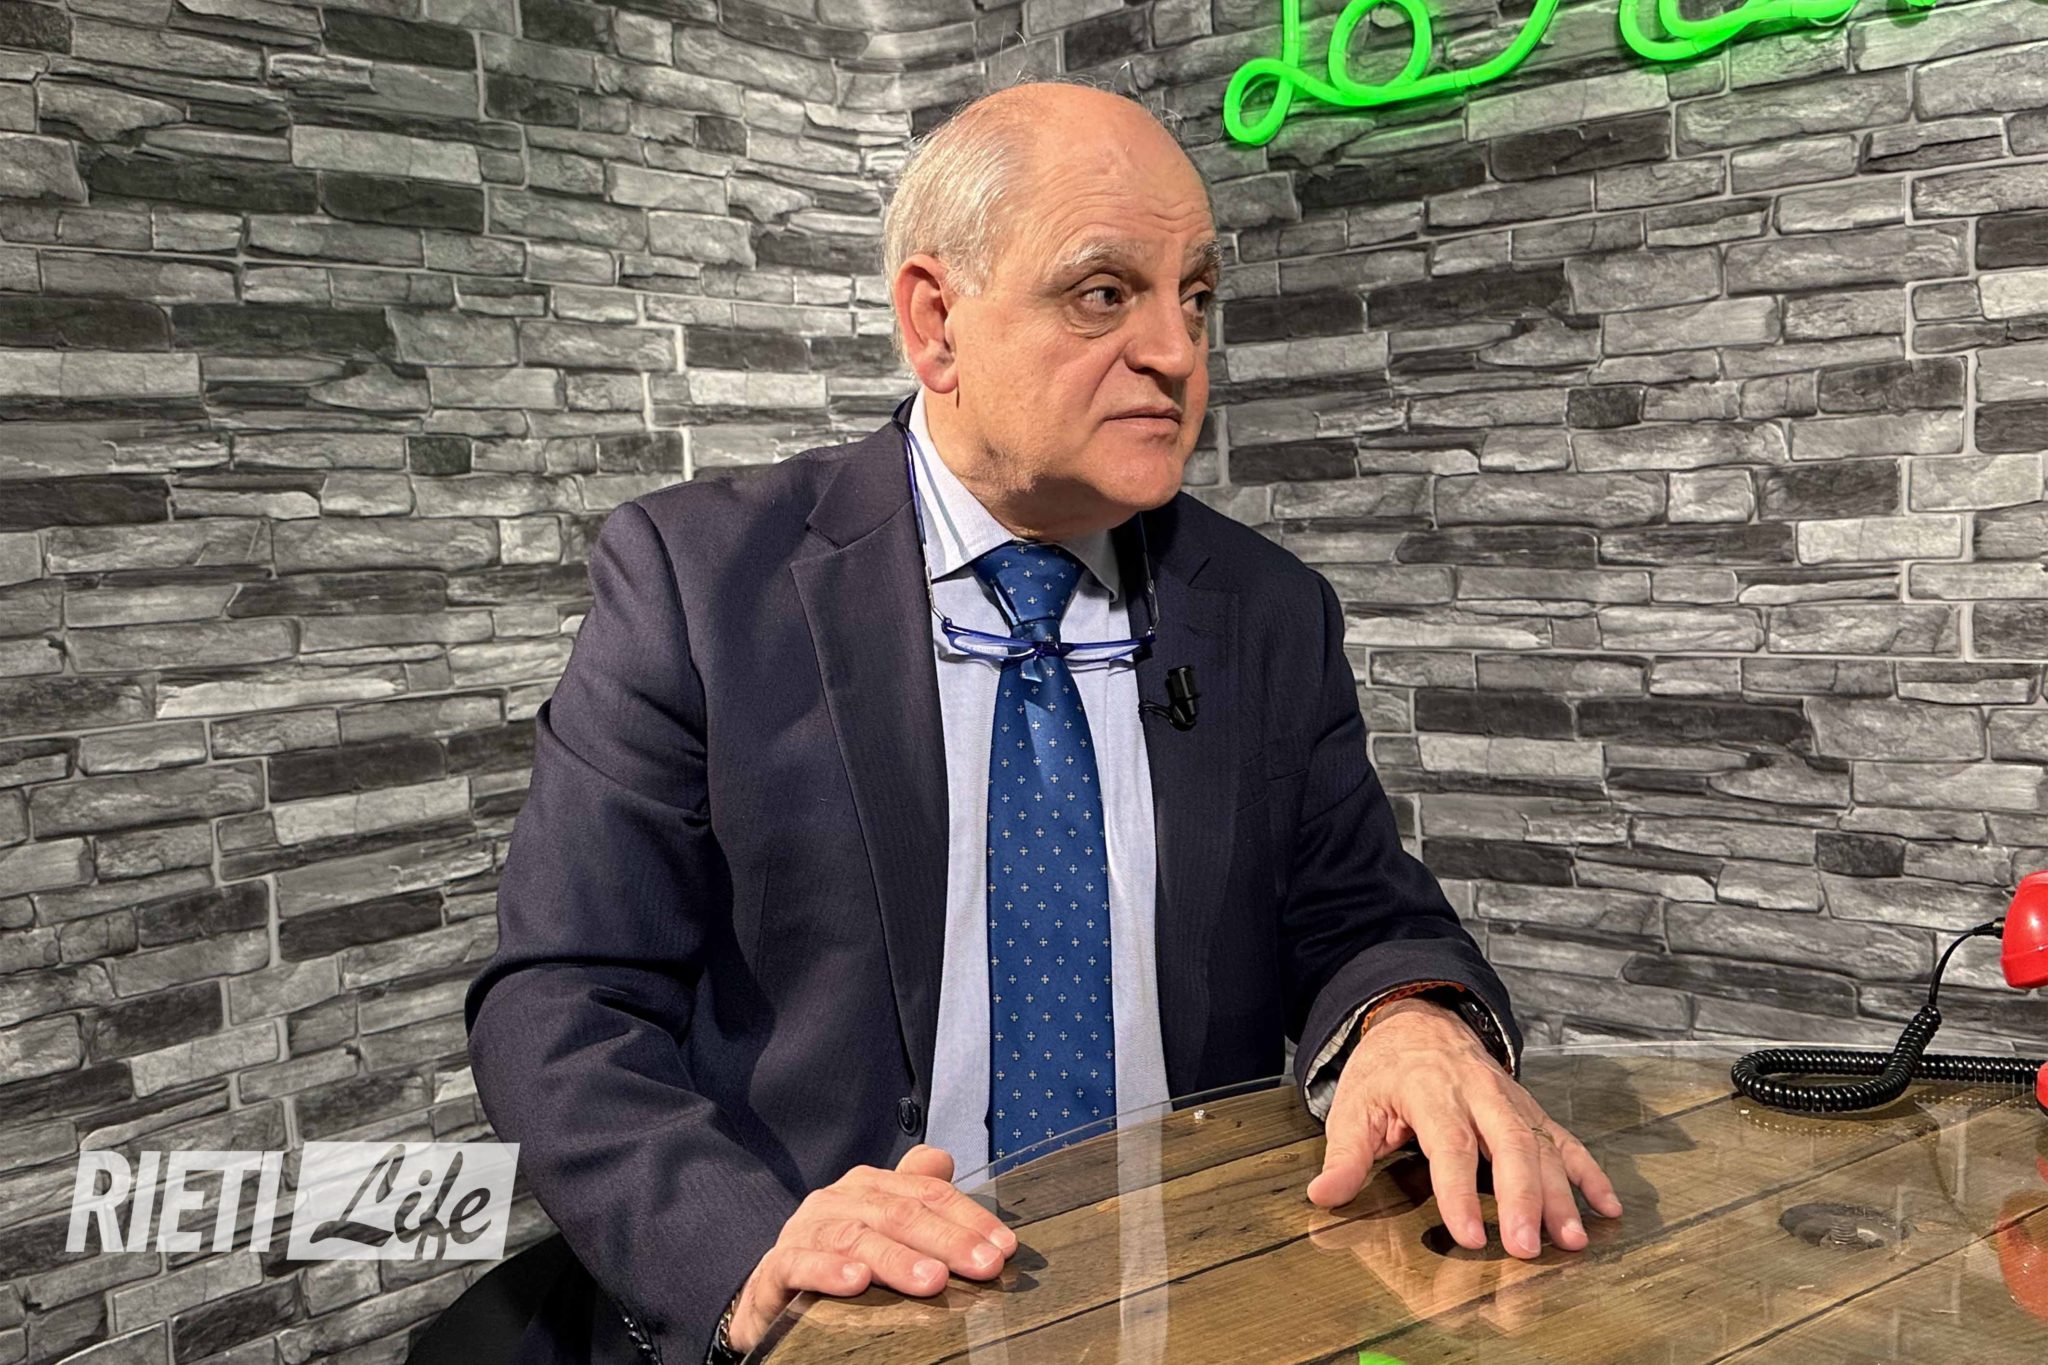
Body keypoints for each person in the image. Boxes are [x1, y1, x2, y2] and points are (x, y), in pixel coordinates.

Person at [463, 79, 1621, 1365]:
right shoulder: (697, 583)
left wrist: (1406, 1019)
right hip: (842, 1311)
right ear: (935, 323)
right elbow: (563, 1000)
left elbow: (1359, 919)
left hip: (1196, 1307)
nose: (1176, 351)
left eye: (1194, 295)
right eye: (1102, 293)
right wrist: (747, 1253)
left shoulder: (1265, 611)